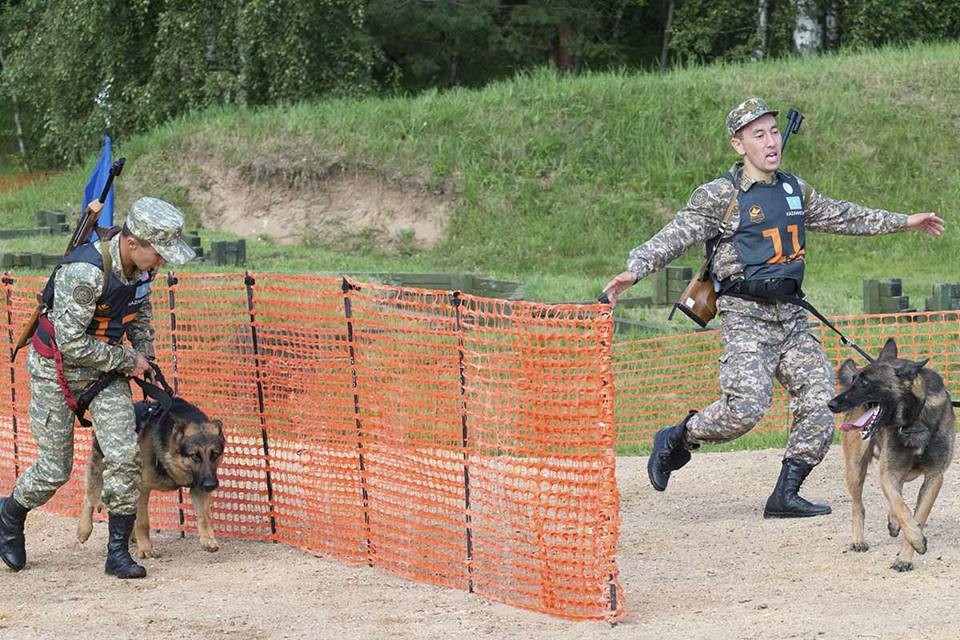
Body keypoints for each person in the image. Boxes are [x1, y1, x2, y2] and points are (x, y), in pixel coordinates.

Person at [602, 98, 945, 518]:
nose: (770, 142)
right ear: (738, 144)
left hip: (793, 318)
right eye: (758, 134)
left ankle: (786, 493)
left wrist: (905, 220)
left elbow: (845, 215)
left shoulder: (794, 190)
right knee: (745, 408)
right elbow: (676, 234)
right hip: (746, 318)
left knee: (822, 402)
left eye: (774, 131)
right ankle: (678, 436)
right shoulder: (720, 196)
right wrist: (634, 271)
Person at [0, 197, 195, 577]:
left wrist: (146, 359)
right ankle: (9, 514)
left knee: (124, 456)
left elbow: (139, 318)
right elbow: (71, 343)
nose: (164, 261)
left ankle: (118, 554)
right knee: (55, 470)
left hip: (103, 371)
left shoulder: (142, 271)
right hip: (56, 371)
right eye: (160, 252)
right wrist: (128, 361)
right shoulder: (85, 273)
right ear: (133, 242)